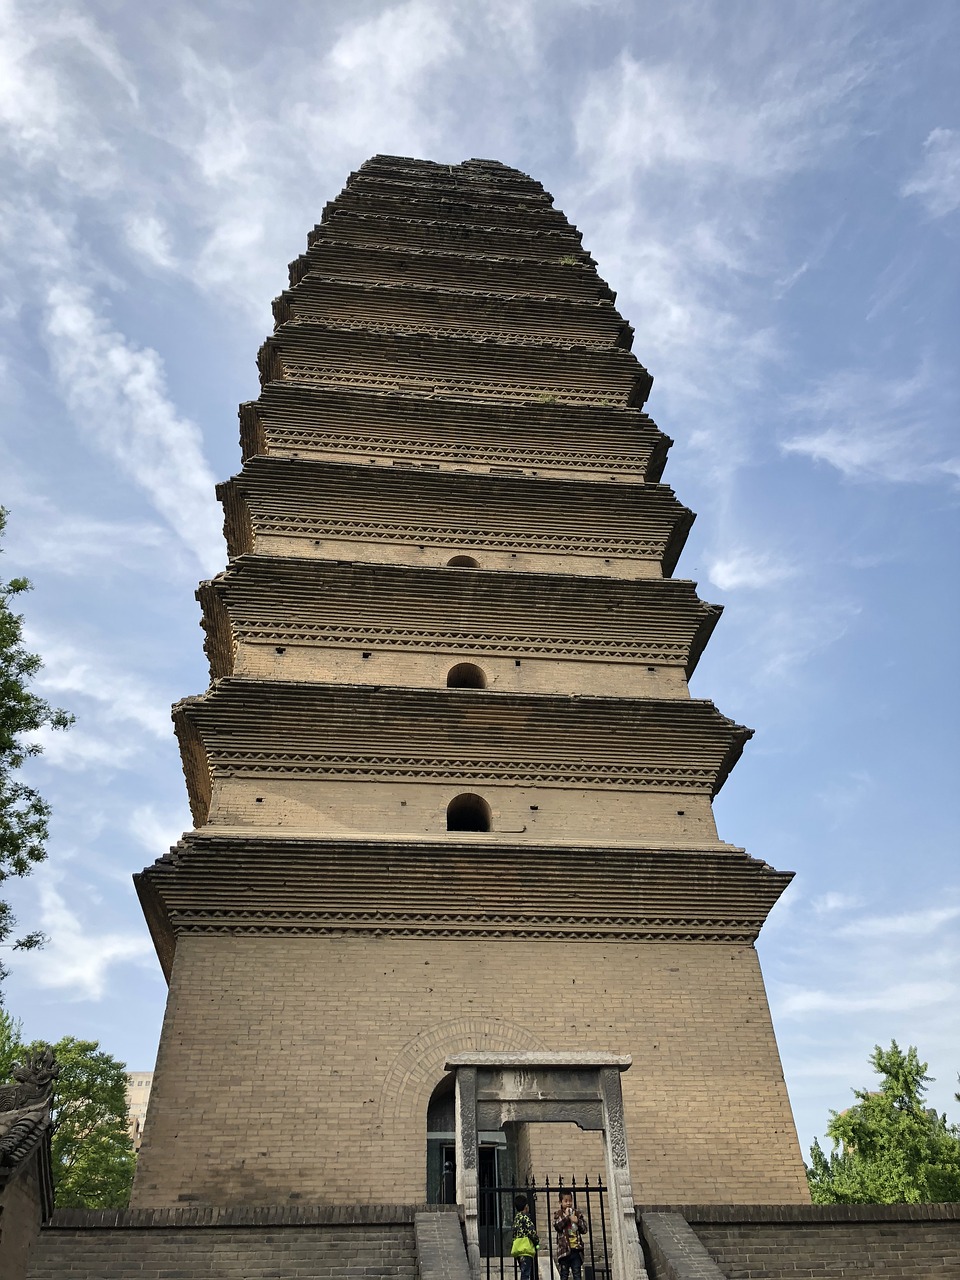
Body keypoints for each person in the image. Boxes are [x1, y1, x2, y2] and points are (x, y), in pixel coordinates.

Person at [553, 1191, 587, 1280]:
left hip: (576, 1250)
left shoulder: (577, 1214)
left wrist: (577, 1221)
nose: (568, 1203)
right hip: (564, 1251)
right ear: (561, 1202)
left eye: (570, 1201)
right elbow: (557, 1226)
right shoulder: (558, 1214)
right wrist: (566, 1217)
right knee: (564, 1274)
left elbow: (584, 1229)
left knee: (577, 1274)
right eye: (566, 1201)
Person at [511, 1193, 539, 1280]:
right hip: (526, 1249)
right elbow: (531, 1232)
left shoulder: (516, 1219)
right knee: (526, 1273)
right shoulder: (525, 1218)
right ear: (526, 1207)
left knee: (523, 1270)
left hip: (518, 1249)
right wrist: (536, 1241)